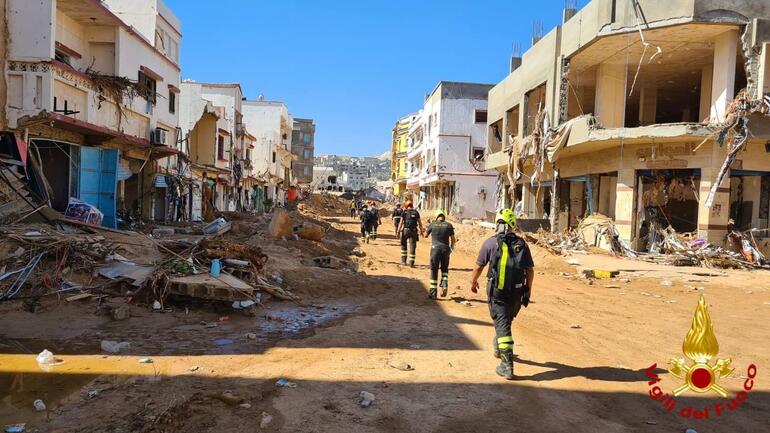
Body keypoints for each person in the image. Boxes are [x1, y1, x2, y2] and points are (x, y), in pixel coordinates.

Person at [469, 209, 534, 380]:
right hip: (517, 291)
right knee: (505, 321)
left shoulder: (490, 243)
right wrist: (528, 289)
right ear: (512, 225)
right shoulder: (522, 244)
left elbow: (478, 266)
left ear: (497, 224)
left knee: (502, 323)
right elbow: (529, 270)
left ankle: (507, 365)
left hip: (498, 291)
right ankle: (499, 346)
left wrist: (473, 282)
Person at [424, 209, 455, 299]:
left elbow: (425, 235)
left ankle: (433, 294)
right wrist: (451, 248)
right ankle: (444, 284)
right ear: (444, 216)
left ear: (436, 216)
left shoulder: (433, 224)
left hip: (435, 250)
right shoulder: (449, 225)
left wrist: (426, 228)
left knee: (434, 270)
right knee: (444, 269)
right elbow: (453, 239)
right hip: (445, 250)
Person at [396, 200, 424, 267]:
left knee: (403, 245)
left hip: (405, 230)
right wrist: (421, 231)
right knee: (412, 247)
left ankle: (403, 262)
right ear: (412, 205)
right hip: (413, 231)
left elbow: (401, 223)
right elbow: (420, 223)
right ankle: (411, 263)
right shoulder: (416, 212)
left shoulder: (404, 212)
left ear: (406, 206)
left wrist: (398, 231)